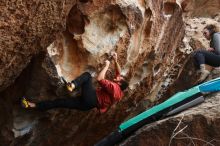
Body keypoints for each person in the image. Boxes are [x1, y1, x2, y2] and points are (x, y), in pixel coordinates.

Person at [21, 52, 129, 113]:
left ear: (119, 83)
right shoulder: (119, 91)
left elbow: (100, 79)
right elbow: (118, 72)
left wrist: (106, 66)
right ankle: (32, 105)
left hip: (91, 97)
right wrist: (115, 59)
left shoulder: (114, 88)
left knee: (87, 76)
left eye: (120, 79)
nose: (119, 77)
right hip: (87, 105)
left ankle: (72, 85)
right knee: (60, 102)